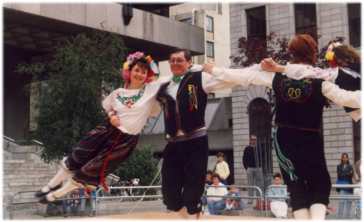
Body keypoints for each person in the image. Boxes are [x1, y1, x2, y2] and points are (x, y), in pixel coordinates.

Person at [202, 34, 361, 219]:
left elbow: (243, 76)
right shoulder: (322, 80)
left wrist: (214, 70)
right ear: (314, 54)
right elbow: (348, 98)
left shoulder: (276, 78)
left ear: (291, 53)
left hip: (284, 139)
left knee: (296, 187)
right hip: (310, 138)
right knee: (321, 184)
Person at [35, 52, 169, 203]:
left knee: (92, 169)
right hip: (106, 131)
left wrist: (199, 69)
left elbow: (174, 76)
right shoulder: (118, 93)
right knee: (78, 154)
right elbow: (108, 106)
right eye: (137, 70)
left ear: (147, 75)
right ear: (129, 71)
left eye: (144, 72)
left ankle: (55, 195)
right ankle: (50, 186)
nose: (139, 74)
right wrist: (112, 116)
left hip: (125, 141)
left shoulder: (150, 91)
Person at [157, 49, 239, 219]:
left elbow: (229, 79)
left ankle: (194, 211)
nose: (175, 63)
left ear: (188, 63)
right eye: (172, 60)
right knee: (169, 196)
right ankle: (187, 216)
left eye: (179, 60)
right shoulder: (163, 86)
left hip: (196, 141)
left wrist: (213, 70)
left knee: (192, 195)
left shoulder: (199, 78)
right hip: (173, 143)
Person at [261, 41, 361, 121]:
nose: (328, 62)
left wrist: (278, 68)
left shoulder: (337, 73)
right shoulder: (356, 66)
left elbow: (309, 72)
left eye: (329, 58)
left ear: (338, 59)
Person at [242, 134, 264, 206]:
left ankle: (259, 199)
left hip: (258, 168)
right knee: (250, 184)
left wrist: (261, 166)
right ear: (250, 140)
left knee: (259, 184)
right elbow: (244, 159)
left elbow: (263, 158)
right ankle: (250, 199)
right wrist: (246, 168)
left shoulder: (259, 148)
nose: (253, 141)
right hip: (250, 169)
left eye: (255, 139)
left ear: (256, 140)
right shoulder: (247, 148)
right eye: (252, 139)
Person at [336, 153, 354, 219]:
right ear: (342, 158)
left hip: (349, 186)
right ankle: (340, 217)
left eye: (346, 157)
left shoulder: (350, 166)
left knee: (349, 202)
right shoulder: (338, 166)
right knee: (341, 202)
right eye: (343, 157)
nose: (345, 159)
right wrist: (348, 173)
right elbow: (339, 175)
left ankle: (347, 217)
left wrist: (346, 174)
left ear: (348, 158)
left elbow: (351, 175)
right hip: (342, 186)